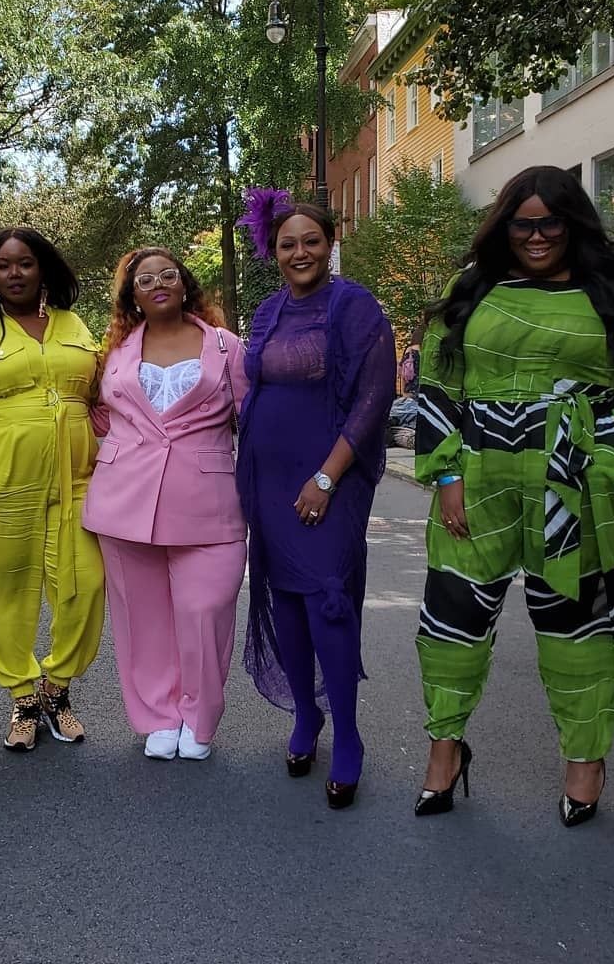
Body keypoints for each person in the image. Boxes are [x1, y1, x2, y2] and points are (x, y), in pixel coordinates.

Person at [414, 165, 614, 826]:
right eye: (522, 224)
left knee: (575, 628)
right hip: (479, 480)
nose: (536, 236)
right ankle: (445, 749)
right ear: (504, 226)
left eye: (551, 222)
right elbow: (439, 382)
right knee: (452, 620)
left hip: (580, 486)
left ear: (573, 222)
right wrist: (445, 474)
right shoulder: (471, 286)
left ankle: (585, 763)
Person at [235, 191, 396, 809]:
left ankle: (348, 736)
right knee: (286, 602)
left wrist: (326, 478)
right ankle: (306, 715)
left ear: (330, 244)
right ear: (273, 251)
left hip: (330, 479)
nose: (299, 252)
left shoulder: (353, 305)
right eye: (287, 244)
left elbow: (374, 398)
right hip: (269, 481)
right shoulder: (268, 310)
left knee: (328, 600)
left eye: (311, 241)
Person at [0, 227, 106, 751]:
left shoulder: (75, 325)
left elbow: (103, 395)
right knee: (1, 596)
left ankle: (56, 689)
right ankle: (23, 698)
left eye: (25, 263)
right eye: (4, 265)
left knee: (87, 586)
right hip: (0, 486)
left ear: (43, 270)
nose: (15, 273)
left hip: (78, 483)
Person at [82, 248, 248, 761]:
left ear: (184, 284)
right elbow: (99, 413)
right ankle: (158, 716)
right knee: (142, 619)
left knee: (206, 610)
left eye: (167, 275)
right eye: (145, 280)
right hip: (125, 502)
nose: (158, 284)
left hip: (209, 504)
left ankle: (198, 715)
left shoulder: (225, 346)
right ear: (132, 295)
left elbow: (254, 418)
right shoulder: (115, 352)